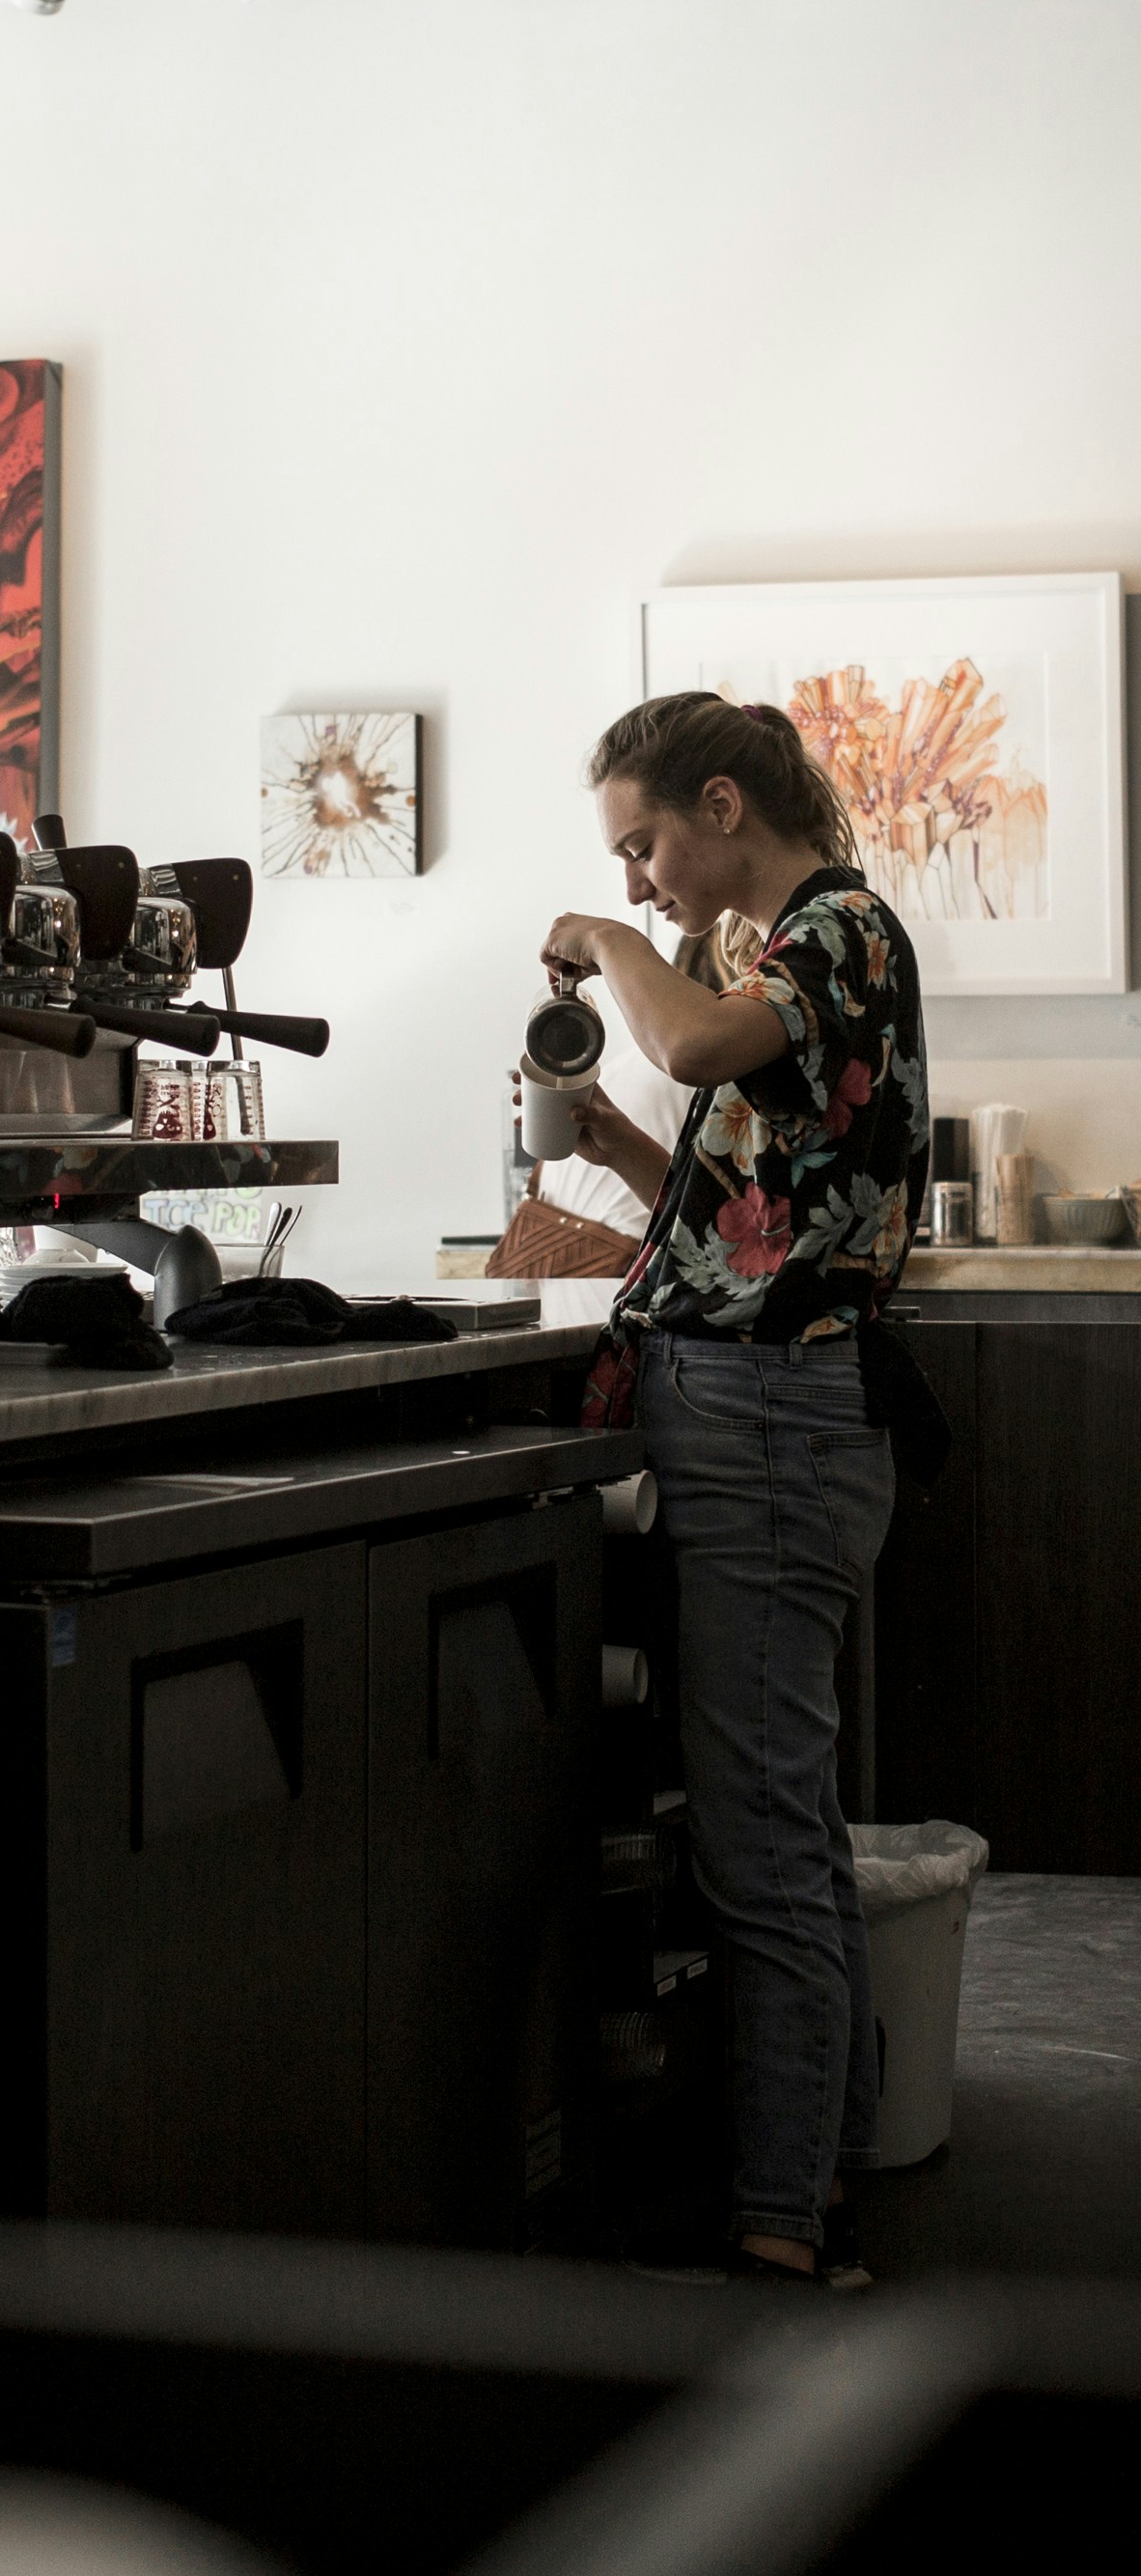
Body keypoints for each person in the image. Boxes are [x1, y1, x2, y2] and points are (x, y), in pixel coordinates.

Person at [542, 691, 927, 2285]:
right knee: (789, 1836)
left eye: (644, 845)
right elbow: (737, 1197)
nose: (640, 882)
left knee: (759, 1853)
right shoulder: (771, 967)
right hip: (767, 1408)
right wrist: (609, 1143)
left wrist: (597, 940)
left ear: (719, 805)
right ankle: (818, 2182)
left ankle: (778, 2232)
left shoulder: (833, 930)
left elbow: (694, 1039)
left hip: (769, 1419)